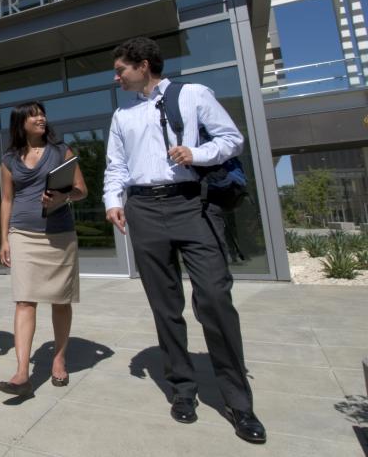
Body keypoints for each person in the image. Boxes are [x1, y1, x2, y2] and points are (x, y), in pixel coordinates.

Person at [103, 37, 266, 444]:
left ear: (143, 65)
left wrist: (197, 154)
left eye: (121, 69)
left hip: (192, 205)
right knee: (165, 305)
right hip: (143, 209)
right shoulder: (122, 115)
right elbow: (115, 165)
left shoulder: (192, 94)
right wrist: (112, 202)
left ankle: (239, 403)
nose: (117, 76)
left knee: (214, 297)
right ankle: (182, 389)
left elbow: (232, 139)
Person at [0, 102, 86, 398]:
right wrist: (5, 239)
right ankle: (22, 372)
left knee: (60, 301)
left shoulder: (62, 151)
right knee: (25, 301)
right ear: (20, 122)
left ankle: (59, 359)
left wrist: (61, 197)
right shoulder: (9, 159)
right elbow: (7, 200)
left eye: (42, 113)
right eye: (33, 114)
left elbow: (81, 190)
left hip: (59, 235)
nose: (41, 118)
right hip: (22, 234)